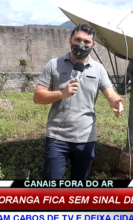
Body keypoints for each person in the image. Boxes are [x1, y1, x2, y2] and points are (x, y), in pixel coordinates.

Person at [33, 23, 124, 180]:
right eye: (78, 39)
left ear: (93, 45)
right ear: (70, 40)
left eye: (87, 42)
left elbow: (110, 93)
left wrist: (116, 102)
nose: (82, 44)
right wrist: (62, 93)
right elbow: (38, 97)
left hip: (85, 139)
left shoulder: (98, 69)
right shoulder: (54, 64)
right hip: (57, 137)